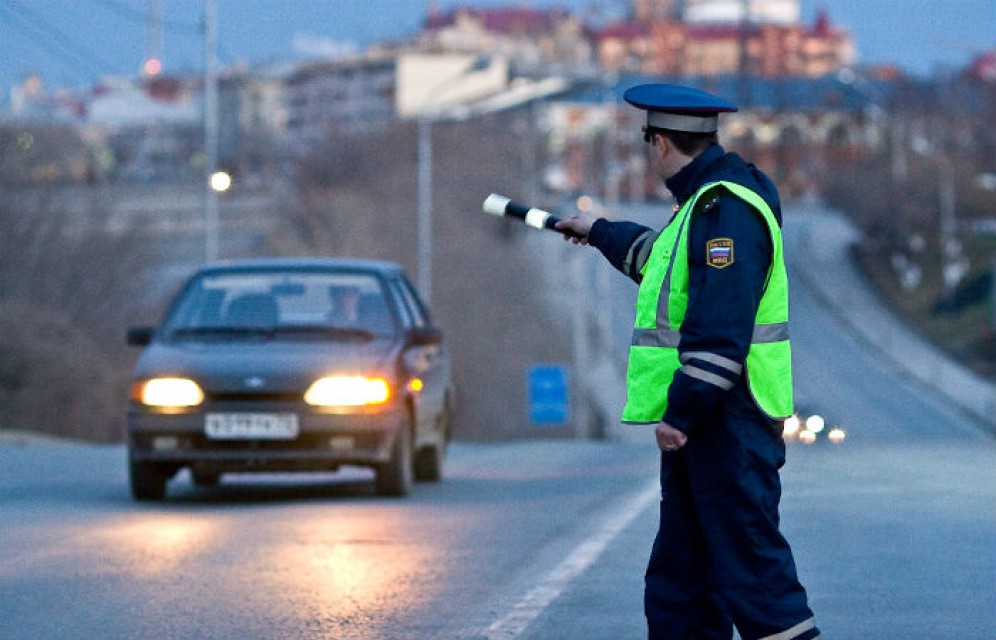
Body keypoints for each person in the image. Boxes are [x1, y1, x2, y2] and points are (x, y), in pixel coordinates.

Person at [555, 83, 820, 640]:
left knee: (756, 583)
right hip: (711, 430)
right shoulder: (702, 207)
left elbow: (719, 328)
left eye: (647, 141)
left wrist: (681, 415)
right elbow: (662, 265)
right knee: (682, 589)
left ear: (659, 143)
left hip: (727, 424)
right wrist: (599, 231)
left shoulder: (727, 210)